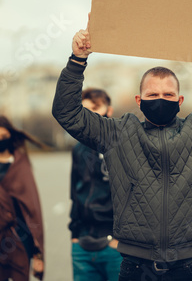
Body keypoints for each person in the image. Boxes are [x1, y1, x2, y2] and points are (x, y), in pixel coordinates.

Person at [52, 19, 192, 281]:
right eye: (152, 95)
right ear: (139, 101)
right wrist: (77, 60)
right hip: (136, 266)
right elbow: (67, 113)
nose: (160, 100)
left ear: (180, 100)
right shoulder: (116, 134)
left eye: (168, 95)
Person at [0, 115, 45, 281]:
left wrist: (38, 253)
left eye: (3, 137)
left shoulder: (21, 161)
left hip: (20, 236)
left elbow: (33, 206)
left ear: (10, 135)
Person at [69, 88, 122, 281]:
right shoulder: (78, 149)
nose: (90, 115)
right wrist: (75, 236)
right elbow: (74, 193)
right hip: (81, 245)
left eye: (95, 108)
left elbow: (134, 196)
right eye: (85, 110)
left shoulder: (122, 146)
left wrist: (118, 238)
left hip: (114, 245)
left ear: (109, 110)